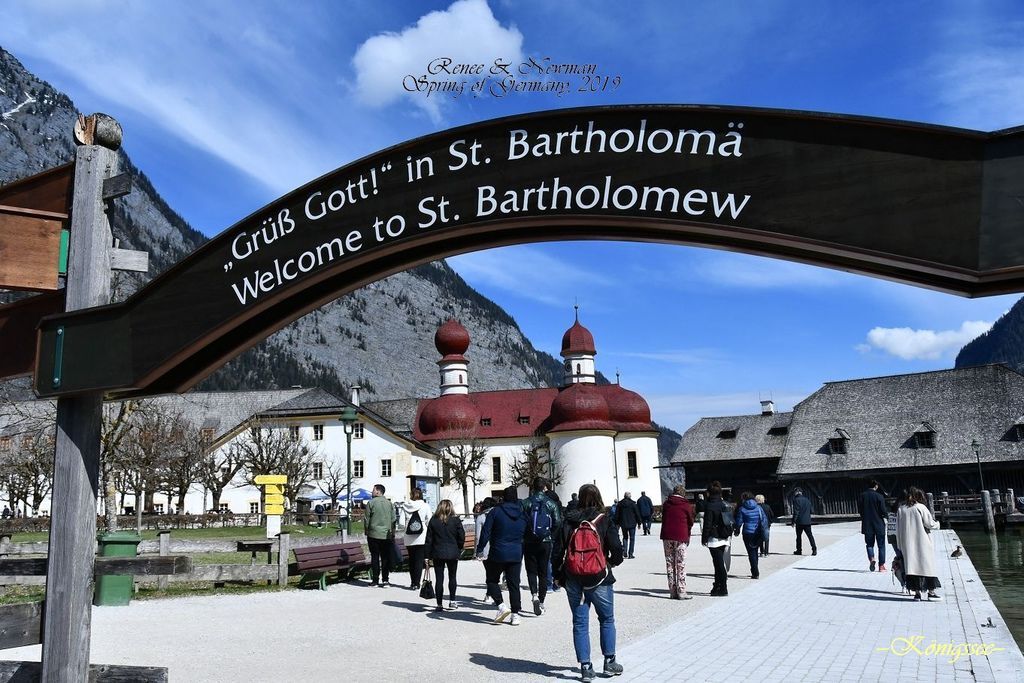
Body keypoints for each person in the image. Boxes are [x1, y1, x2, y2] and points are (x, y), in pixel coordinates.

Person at [552, 483, 625, 680]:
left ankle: (586, 667)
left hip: (574, 578)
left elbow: (557, 551)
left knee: (580, 623)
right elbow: (617, 549)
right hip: (599, 577)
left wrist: (558, 575)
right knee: (607, 619)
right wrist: (610, 563)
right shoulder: (603, 520)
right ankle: (609, 662)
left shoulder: (568, 521)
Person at [477, 486, 527, 626]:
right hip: (516, 552)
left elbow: (486, 532)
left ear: (503, 497)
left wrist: (480, 548)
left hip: (498, 551)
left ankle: (501, 605)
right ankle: (515, 614)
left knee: (492, 580)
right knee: (514, 584)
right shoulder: (522, 513)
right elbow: (527, 531)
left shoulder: (496, 512)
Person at [522, 476, 562, 616]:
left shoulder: (526, 503)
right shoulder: (550, 503)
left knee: (531, 570)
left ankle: (533, 594)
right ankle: (542, 601)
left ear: (533, 487)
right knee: (543, 572)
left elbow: (521, 521)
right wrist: (550, 534)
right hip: (545, 541)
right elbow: (557, 521)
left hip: (529, 541)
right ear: (544, 487)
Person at [896, 487, 942, 601]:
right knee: (927, 566)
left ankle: (917, 594)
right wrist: (938, 524)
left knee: (912, 568)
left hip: (907, 544)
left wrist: (900, 545)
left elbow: (898, 530)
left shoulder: (901, 509)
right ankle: (931, 592)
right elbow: (929, 524)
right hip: (922, 541)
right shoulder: (920, 507)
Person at [425, 499, 465, 612]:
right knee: (452, 577)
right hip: (453, 552)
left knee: (439, 579)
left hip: (438, 552)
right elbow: (461, 536)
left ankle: (439, 604)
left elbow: (429, 540)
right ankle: (452, 601)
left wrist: (426, 556)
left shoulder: (434, 520)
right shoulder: (455, 520)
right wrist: (459, 547)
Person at [660, 484, 695, 599]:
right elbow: (690, 521)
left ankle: (672, 591)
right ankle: (681, 591)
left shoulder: (666, 504)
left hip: (667, 536)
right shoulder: (686, 505)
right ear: (683, 493)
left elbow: (664, 518)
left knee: (669, 563)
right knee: (680, 563)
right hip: (681, 536)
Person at [701, 481, 731, 596]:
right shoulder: (725, 504)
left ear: (709, 493)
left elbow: (707, 524)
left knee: (718, 565)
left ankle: (723, 588)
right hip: (725, 536)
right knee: (718, 563)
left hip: (714, 538)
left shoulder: (710, 506)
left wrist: (704, 538)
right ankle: (717, 586)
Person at [365, 484, 396, 587]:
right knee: (385, 557)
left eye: (373, 490)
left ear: (378, 491)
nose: (372, 492)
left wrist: (366, 531)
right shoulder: (389, 504)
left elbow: (367, 520)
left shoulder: (371, 503)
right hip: (386, 534)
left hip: (373, 534)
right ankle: (385, 580)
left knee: (375, 557)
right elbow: (393, 520)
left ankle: (375, 580)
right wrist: (393, 533)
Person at [401, 488, 432, 589]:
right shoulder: (425, 506)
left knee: (411, 560)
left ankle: (412, 582)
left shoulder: (405, 506)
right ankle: (417, 583)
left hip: (409, 537)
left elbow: (401, 522)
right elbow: (429, 520)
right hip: (421, 536)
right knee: (419, 560)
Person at [733, 491, 768, 579]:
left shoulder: (742, 508)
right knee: (755, 551)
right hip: (758, 532)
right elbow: (764, 519)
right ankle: (755, 569)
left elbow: (739, 522)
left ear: (743, 499)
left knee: (751, 552)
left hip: (747, 533)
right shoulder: (759, 507)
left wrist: (736, 530)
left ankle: (755, 572)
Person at [858, 480, 888, 572]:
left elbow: (860, 510)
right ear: (875, 486)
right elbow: (883, 511)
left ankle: (872, 558)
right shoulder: (879, 496)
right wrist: (887, 516)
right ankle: (881, 566)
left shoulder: (862, 496)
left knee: (869, 544)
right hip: (879, 524)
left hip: (867, 524)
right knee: (881, 545)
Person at [790, 488, 817, 556]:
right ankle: (814, 550)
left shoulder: (796, 500)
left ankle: (799, 550)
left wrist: (793, 522)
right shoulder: (807, 499)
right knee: (810, 536)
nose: (794, 493)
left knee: (798, 537)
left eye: (795, 492)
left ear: (798, 492)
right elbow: (812, 511)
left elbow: (796, 512)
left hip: (799, 522)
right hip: (807, 521)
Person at [615, 492, 640, 559]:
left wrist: (616, 523)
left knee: (625, 537)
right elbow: (637, 514)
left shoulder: (620, 504)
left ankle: (625, 552)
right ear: (630, 496)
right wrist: (639, 522)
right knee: (632, 538)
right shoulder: (633, 504)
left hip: (623, 523)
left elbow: (617, 514)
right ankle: (630, 553)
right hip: (632, 524)